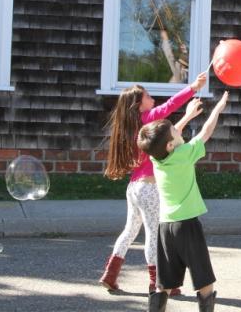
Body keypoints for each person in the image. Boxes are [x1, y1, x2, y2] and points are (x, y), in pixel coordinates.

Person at [98, 71, 207, 294]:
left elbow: (168, 135)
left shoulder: (131, 126)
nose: (152, 100)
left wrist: (187, 117)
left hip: (135, 188)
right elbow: (169, 106)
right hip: (149, 188)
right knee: (153, 234)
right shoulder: (147, 119)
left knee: (129, 231)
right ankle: (158, 282)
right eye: (148, 97)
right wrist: (194, 87)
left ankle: (110, 275)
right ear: (139, 105)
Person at [139, 91, 230, 312]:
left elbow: (167, 138)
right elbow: (206, 132)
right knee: (203, 279)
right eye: (175, 132)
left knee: (164, 283)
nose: (178, 131)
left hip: (165, 226)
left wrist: (188, 116)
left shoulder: (156, 157)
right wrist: (217, 109)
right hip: (187, 225)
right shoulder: (185, 154)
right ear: (171, 145)